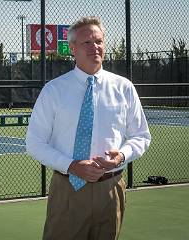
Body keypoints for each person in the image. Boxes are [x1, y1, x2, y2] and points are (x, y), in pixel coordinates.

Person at [26, 16, 151, 240]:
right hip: (67, 190)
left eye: (99, 41)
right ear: (72, 48)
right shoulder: (54, 90)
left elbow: (141, 136)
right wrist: (72, 166)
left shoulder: (124, 88)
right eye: (87, 43)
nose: (95, 47)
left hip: (111, 189)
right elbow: (34, 143)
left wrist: (121, 156)